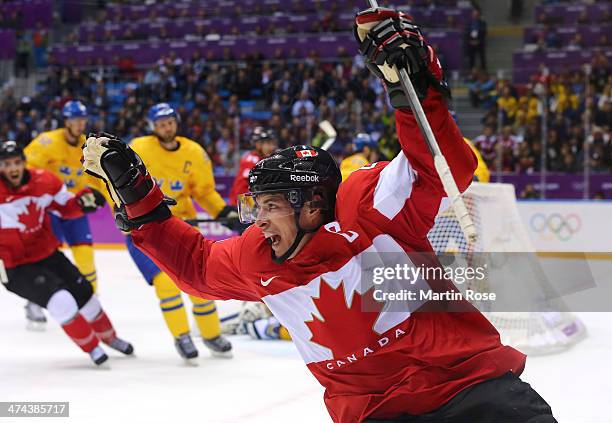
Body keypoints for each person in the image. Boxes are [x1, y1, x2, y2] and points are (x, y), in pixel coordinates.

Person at [83, 9, 555, 422]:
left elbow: (442, 165)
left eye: (271, 206)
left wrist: (413, 83)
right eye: (256, 207)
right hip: (374, 414)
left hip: (472, 390)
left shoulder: (369, 210)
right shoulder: (257, 256)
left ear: (312, 207)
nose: (259, 220)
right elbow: (197, 267)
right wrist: (137, 195)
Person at [0, 141, 132, 366]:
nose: (12, 169)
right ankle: (93, 349)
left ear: (23, 163)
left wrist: (83, 203)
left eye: (16, 163)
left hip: (46, 253)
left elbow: (66, 206)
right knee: (61, 301)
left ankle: (111, 338)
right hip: (14, 266)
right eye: (6, 164)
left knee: (85, 295)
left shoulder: (44, 181)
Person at [124, 103, 235, 359]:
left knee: (201, 281)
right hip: (146, 229)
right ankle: (182, 337)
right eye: (161, 123)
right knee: (167, 285)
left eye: (169, 122)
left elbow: (204, 191)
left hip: (181, 229)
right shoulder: (139, 148)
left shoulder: (194, 151)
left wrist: (221, 212)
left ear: (176, 122)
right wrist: (125, 213)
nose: (166, 127)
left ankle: (211, 334)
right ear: (153, 126)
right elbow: (118, 184)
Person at [24, 100, 108, 326]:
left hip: (76, 209)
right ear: (66, 121)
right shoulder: (47, 142)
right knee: (46, 259)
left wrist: (97, 196)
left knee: (86, 260)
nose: (79, 124)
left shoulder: (89, 146)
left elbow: (97, 179)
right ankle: (34, 302)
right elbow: (27, 170)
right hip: (51, 209)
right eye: (74, 120)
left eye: (82, 119)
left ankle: (90, 301)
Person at [228, 126, 278, 206]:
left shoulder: (266, 160)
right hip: (244, 208)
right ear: (258, 145)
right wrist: (254, 205)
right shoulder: (251, 160)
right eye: (268, 143)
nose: (272, 147)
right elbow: (241, 188)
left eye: (273, 143)